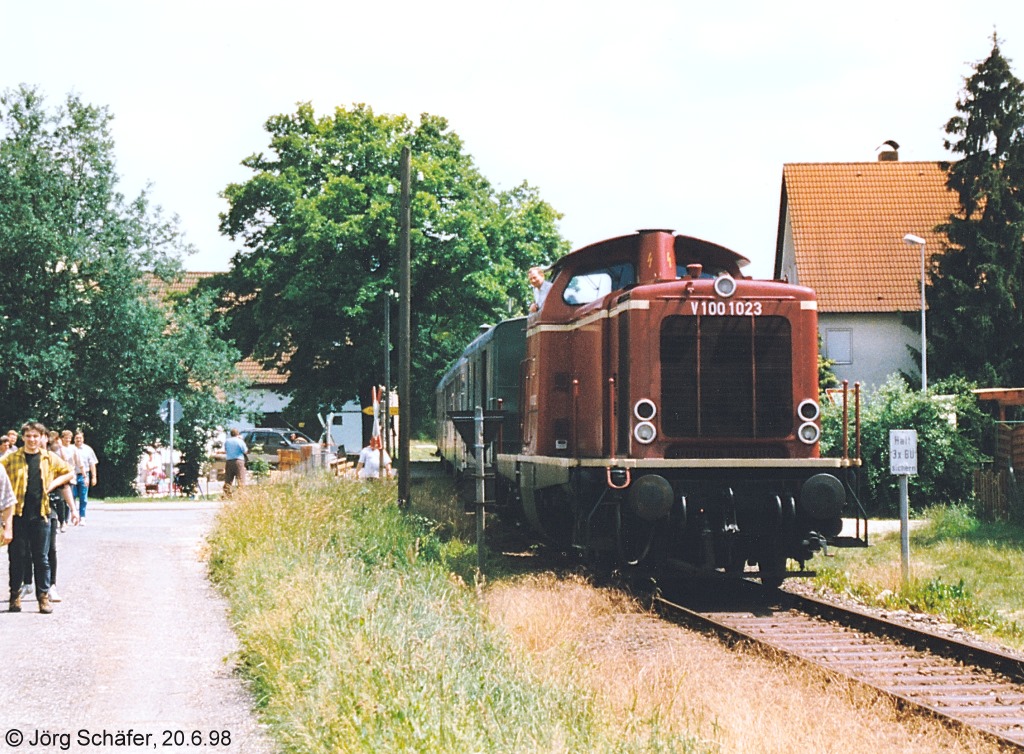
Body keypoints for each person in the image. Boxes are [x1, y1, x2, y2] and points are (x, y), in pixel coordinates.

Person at [2, 421, 74, 614]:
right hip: (18, 515)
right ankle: (14, 595)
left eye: (36, 436)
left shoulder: (48, 458)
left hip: (41, 514)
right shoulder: (12, 458)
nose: (32, 440)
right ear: (23, 437)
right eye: (28, 436)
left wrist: (52, 484)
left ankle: (43, 597)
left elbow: (69, 471)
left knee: (41, 558)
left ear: (42, 438)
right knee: (16, 557)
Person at [73, 431, 98, 520]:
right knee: (72, 496)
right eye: (77, 438)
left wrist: (94, 477)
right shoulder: (71, 448)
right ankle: (72, 516)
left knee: (83, 498)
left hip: (84, 476)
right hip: (72, 475)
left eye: (80, 438)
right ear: (74, 439)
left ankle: (82, 516)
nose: (78, 440)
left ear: (83, 439)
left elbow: (92, 464)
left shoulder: (88, 449)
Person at [223, 428, 248, 496]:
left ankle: (227, 494)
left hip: (229, 461)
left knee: (228, 478)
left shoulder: (227, 441)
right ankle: (241, 494)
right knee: (240, 478)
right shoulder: (240, 441)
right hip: (238, 460)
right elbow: (245, 451)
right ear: (238, 434)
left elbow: (225, 450)